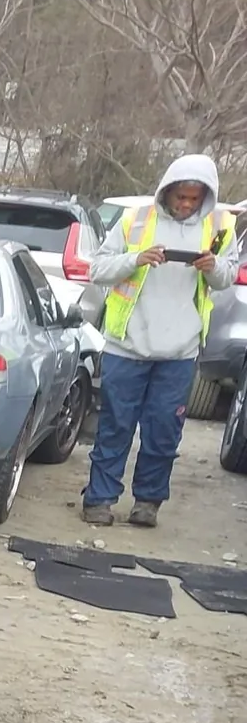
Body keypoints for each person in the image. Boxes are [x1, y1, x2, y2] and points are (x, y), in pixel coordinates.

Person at [82, 154, 241, 527]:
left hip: (180, 352)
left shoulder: (220, 226)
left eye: (194, 198)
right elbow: (98, 269)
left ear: (205, 196)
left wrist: (213, 266)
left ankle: (148, 503)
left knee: (164, 431)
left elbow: (228, 276)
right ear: (167, 191)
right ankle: (99, 500)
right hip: (127, 346)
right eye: (180, 197)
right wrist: (136, 259)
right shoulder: (136, 220)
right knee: (116, 426)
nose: (186, 205)